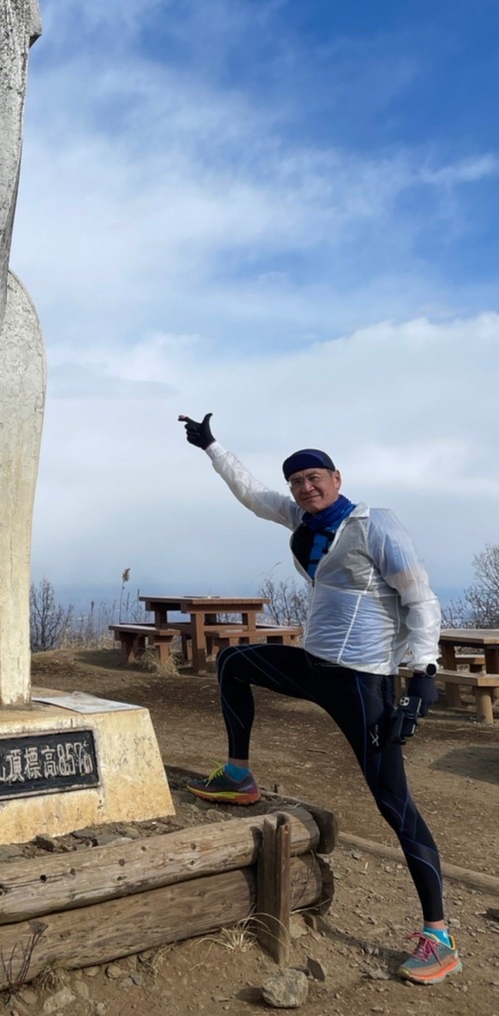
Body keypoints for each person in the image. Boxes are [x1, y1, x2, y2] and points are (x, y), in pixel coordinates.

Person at [178, 411, 459, 986]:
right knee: (233, 661)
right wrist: (211, 446)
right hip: (315, 666)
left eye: (315, 478)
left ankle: (439, 934)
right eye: (298, 482)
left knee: (392, 804)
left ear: (336, 477)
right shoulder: (302, 518)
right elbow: (252, 495)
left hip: (363, 680)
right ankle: (238, 775)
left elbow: (421, 600)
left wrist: (422, 674)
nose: (306, 488)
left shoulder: (372, 523)